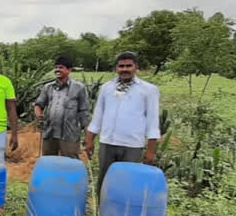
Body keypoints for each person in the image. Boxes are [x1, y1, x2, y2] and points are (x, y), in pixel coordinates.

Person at [85, 51, 160, 194]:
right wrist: (89, 140)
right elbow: (98, 115)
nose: (124, 69)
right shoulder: (107, 87)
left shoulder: (149, 90)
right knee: (105, 181)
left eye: (128, 66)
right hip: (107, 142)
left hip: (132, 145)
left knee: (127, 183)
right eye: (121, 66)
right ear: (116, 68)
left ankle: (122, 215)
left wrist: (150, 150)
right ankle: (102, 213)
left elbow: (153, 121)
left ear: (136, 67)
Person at [34, 56, 89, 158]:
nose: (57, 70)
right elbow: (38, 104)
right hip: (50, 133)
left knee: (69, 163)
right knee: (48, 162)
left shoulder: (79, 88)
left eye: (61, 67)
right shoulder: (48, 87)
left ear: (69, 70)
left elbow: (84, 112)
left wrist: (88, 136)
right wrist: (39, 114)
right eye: (56, 67)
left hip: (69, 135)